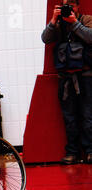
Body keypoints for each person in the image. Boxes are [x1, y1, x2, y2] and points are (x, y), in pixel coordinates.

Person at [41, 0, 92, 164]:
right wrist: (53, 21)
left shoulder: (86, 19)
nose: (68, 9)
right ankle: (72, 152)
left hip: (86, 76)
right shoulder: (58, 25)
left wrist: (74, 23)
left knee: (88, 116)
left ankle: (90, 151)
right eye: (64, 6)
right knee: (69, 118)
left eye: (70, 5)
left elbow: (90, 37)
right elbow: (46, 39)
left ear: (77, 7)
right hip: (65, 78)